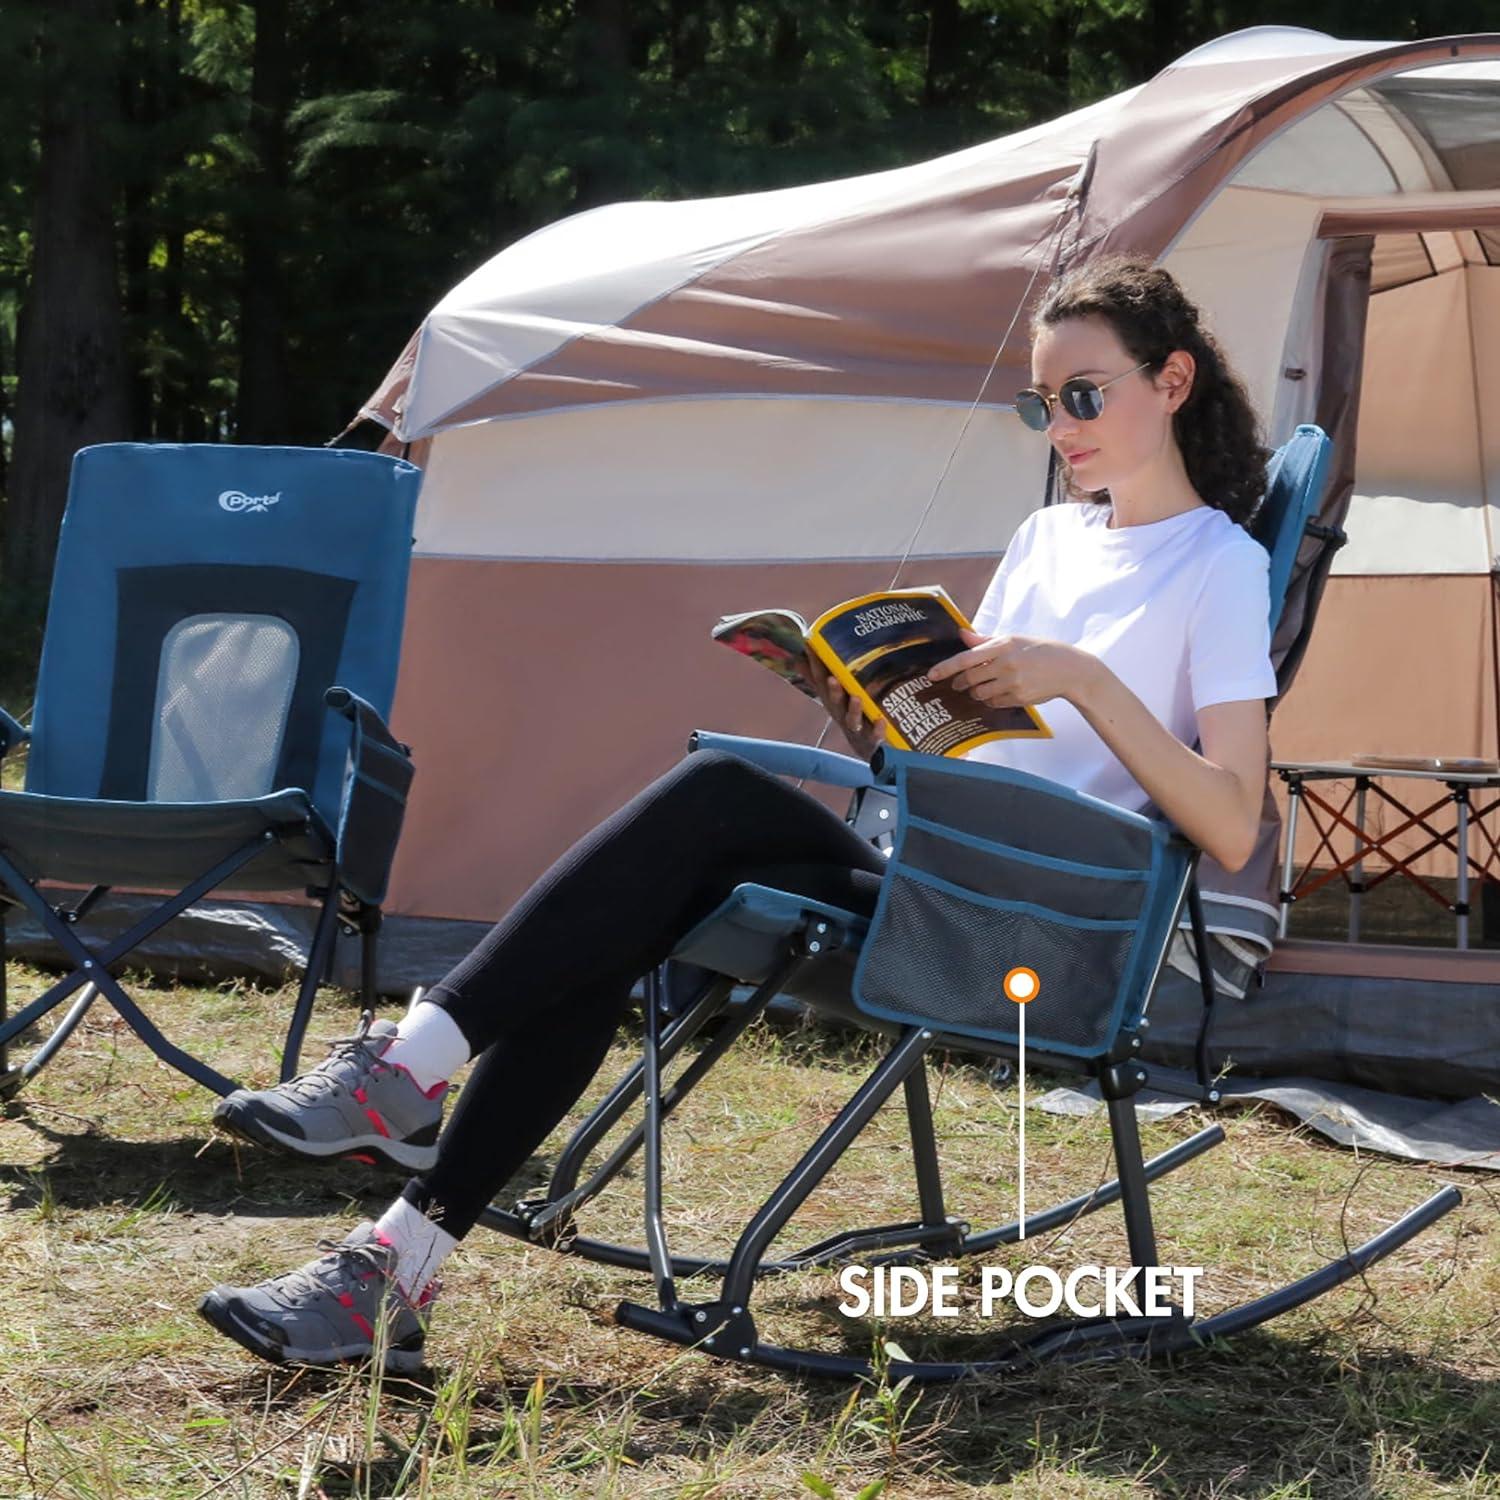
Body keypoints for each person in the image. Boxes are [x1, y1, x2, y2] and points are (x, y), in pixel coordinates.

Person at [198, 257, 1277, 1372]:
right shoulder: (1046, 540)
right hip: (934, 868)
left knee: (714, 801)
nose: (1061, 425)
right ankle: (393, 1265)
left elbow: (1235, 822)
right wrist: (861, 706)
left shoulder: (1220, 568)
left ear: (1174, 380)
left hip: (1041, 927)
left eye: (1085, 395)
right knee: (616, 924)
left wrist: (1087, 679)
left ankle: (409, 1070)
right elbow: (953, 751)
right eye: (1040, 403)